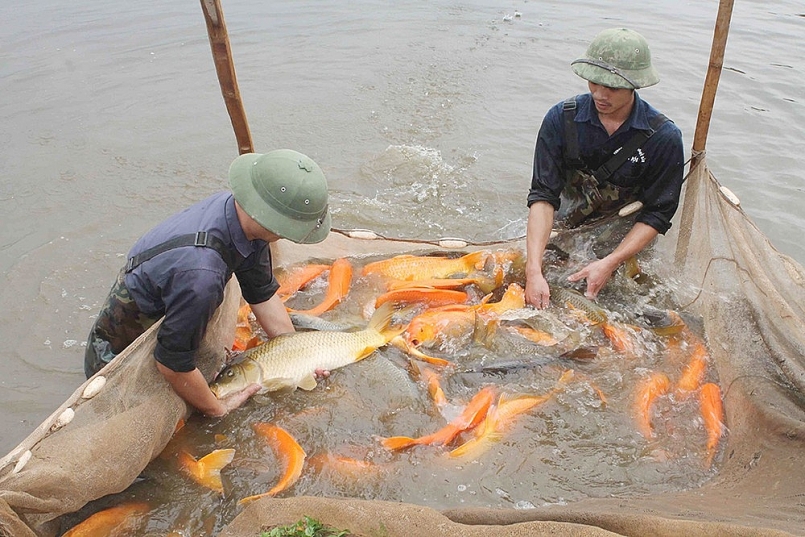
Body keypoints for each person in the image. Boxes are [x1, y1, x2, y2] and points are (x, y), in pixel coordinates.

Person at [84, 149, 331, 417]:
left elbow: (260, 293)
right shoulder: (202, 276)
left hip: (178, 300)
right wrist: (219, 408)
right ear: (273, 222)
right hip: (120, 347)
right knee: (134, 409)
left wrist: (297, 355)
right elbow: (172, 365)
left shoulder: (244, 216)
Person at [525, 28, 684, 308]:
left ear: (636, 85)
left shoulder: (663, 138)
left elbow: (657, 214)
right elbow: (543, 196)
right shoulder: (561, 119)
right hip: (565, 230)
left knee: (630, 310)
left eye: (612, 87)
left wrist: (611, 262)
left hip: (622, 243)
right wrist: (533, 270)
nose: (600, 94)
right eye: (594, 82)